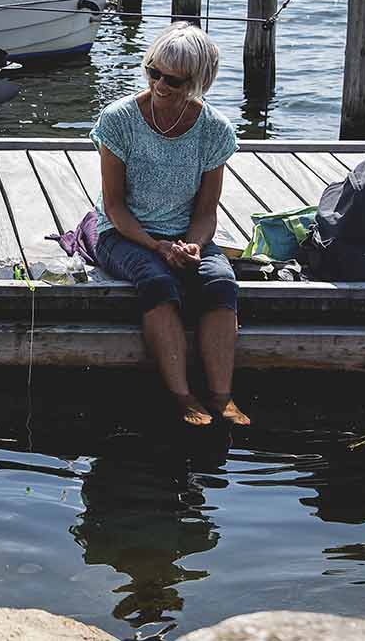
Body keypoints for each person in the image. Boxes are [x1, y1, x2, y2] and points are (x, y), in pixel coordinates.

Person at [89, 22, 249, 427]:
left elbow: (207, 212)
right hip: (123, 232)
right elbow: (114, 206)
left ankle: (222, 396)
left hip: (183, 233)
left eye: (172, 79)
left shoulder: (214, 130)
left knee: (221, 282)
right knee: (157, 281)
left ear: (196, 81)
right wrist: (156, 246)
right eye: (153, 72)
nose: (160, 84)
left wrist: (194, 245)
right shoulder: (119, 120)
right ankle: (181, 395)